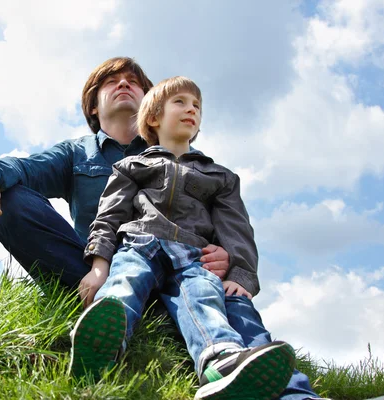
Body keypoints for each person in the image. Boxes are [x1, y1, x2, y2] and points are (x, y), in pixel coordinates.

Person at [0, 57, 321, 400]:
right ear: (94, 106)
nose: (124, 84)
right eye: (111, 82)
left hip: (184, 276)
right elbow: (27, 168)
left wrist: (225, 255)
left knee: (230, 301)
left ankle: (284, 390)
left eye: (134, 81)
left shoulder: (185, 158)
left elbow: (223, 221)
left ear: (151, 105)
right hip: (106, 267)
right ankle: (104, 324)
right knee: (10, 202)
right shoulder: (77, 153)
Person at [70, 76, 295, 399]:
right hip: (140, 243)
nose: (191, 109)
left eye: (197, 106)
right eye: (180, 102)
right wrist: (98, 267)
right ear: (153, 117)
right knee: (125, 281)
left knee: (202, 296)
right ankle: (100, 344)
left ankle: (220, 364)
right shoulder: (131, 166)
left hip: (193, 254)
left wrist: (240, 274)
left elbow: (236, 229)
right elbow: (109, 216)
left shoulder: (219, 177)